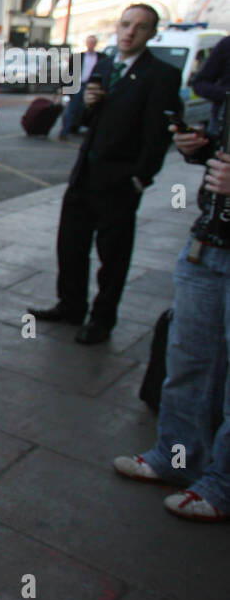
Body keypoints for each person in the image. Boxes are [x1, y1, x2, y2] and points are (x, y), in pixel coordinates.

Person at [29, 4, 182, 345]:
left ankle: (101, 319)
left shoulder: (161, 75)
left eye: (140, 28)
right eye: (126, 24)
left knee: (112, 256)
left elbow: (159, 134)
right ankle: (70, 305)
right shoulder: (107, 66)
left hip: (119, 182)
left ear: (151, 34)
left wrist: (141, 178)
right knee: (70, 245)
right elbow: (87, 122)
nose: (130, 32)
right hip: (85, 175)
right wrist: (90, 104)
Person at [112, 112, 230, 522]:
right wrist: (203, 147)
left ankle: (222, 484)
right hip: (209, 243)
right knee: (188, 359)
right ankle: (177, 457)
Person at [59, 35, 110, 140]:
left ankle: (84, 131)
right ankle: (64, 132)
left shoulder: (102, 57)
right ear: (86, 43)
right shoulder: (79, 56)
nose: (91, 44)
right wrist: (63, 87)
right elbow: (69, 72)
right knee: (71, 109)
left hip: (92, 86)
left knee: (90, 110)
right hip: (78, 85)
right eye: (89, 42)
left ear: (95, 44)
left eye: (93, 42)